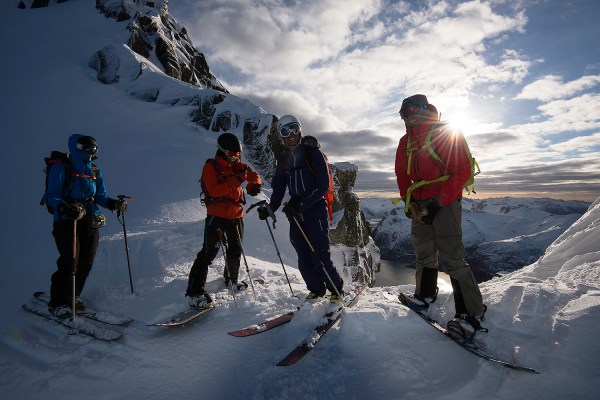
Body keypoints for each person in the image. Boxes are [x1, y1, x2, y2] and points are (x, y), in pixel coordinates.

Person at [394, 94, 486, 337]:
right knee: (423, 251)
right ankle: (424, 295)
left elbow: (462, 170)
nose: (409, 117)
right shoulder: (405, 142)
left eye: (413, 111)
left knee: (452, 257)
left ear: (425, 110)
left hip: (445, 200)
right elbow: (402, 175)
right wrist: (409, 200)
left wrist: (439, 202)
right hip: (421, 201)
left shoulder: (445, 134)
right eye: (404, 114)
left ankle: (472, 313)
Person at [258, 115, 344, 301]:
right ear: (280, 136)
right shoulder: (284, 160)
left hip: (314, 209)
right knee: (303, 255)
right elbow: (279, 189)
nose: (290, 135)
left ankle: (336, 289)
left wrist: (303, 204)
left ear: (299, 130)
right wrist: (270, 209)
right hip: (295, 213)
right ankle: (316, 289)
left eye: (293, 129)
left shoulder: (313, 154)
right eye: (285, 131)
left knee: (320, 253)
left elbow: (322, 186)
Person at [45, 134, 127, 319]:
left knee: (86, 260)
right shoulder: (61, 167)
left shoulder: (94, 170)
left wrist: (114, 204)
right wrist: (65, 208)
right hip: (68, 220)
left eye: (95, 149)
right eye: (87, 147)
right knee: (70, 259)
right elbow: (52, 195)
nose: (92, 152)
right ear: (76, 147)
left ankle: (73, 296)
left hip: (89, 218)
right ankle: (58, 303)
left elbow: (100, 196)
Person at [186, 133, 262, 309]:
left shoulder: (239, 166)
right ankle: (195, 292)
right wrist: (237, 180)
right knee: (208, 253)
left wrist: (254, 184)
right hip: (216, 216)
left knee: (235, 250)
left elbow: (252, 175)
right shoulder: (211, 167)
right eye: (230, 153)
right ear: (221, 151)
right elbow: (214, 190)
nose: (234, 157)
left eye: (237, 154)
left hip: (236, 216)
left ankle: (231, 280)